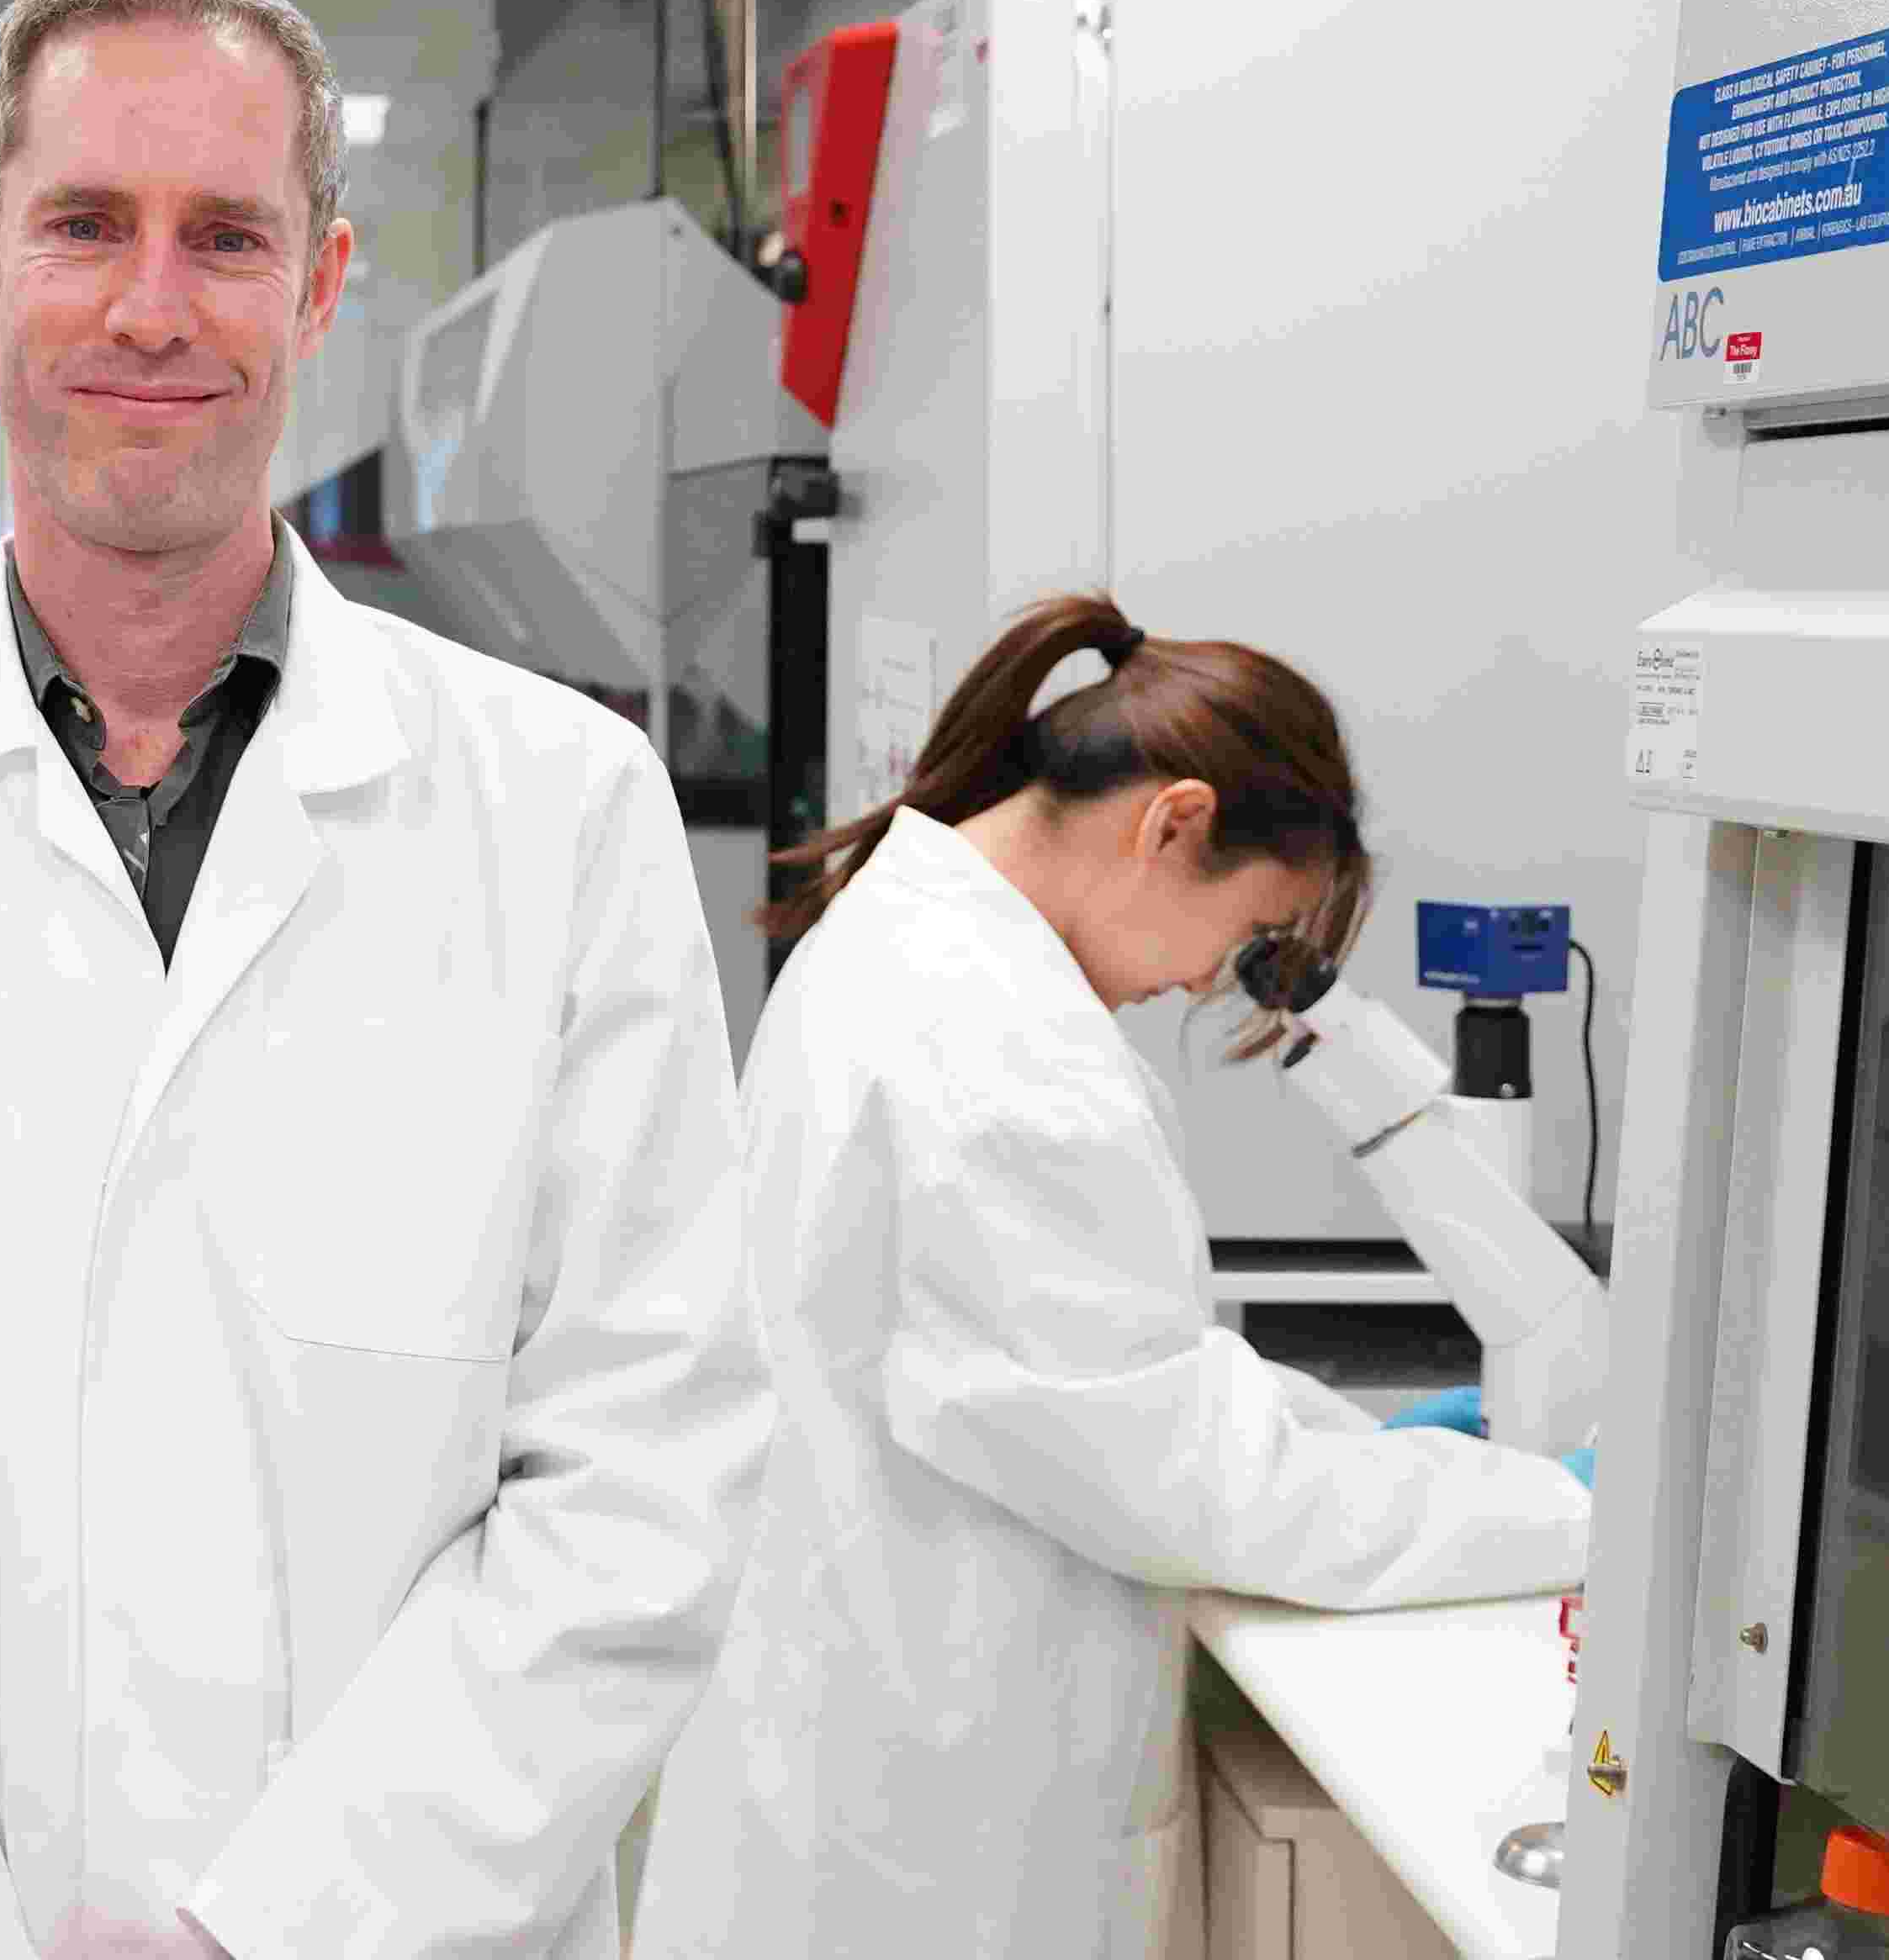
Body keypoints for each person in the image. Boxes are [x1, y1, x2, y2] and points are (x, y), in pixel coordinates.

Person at [0, 0, 770, 1959]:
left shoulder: (563, 818)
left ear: (321, 283)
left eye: (226, 236)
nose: (151, 306)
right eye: (85, 227)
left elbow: (642, 1472)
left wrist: (270, 1931)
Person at [638, 594, 1594, 1960]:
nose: (1208, 978)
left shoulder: (912, 944)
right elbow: (1193, 1478)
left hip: (866, 1735)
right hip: (934, 1824)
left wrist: (1361, 1439)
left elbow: (1109, 1378)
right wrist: (1557, 1508)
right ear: (1174, 822)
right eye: (1243, 931)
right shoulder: (995, 1051)